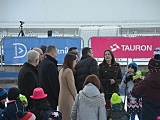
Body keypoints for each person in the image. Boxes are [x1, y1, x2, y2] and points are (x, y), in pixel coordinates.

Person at [131, 48, 160, 120]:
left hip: (148, 115)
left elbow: (135, 93)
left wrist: (138, 81)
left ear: (150, 69)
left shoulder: (145, 82)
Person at [38, 45, 60, 110]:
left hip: (43, 95)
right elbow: (54, 83)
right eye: (56, 53)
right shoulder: (51, 65)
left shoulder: (42, 63)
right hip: (50, 97)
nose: (56, 55)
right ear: (52, 53)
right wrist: (58, 96)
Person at [58, 53, 77, 120]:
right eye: (75, 61)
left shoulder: (61, 70)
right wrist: (76, 97)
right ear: (71, 61)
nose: (75, 63)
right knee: (69, 116)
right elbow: (71, 86)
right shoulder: (69, 71)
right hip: (68, 98)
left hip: (61, 97)